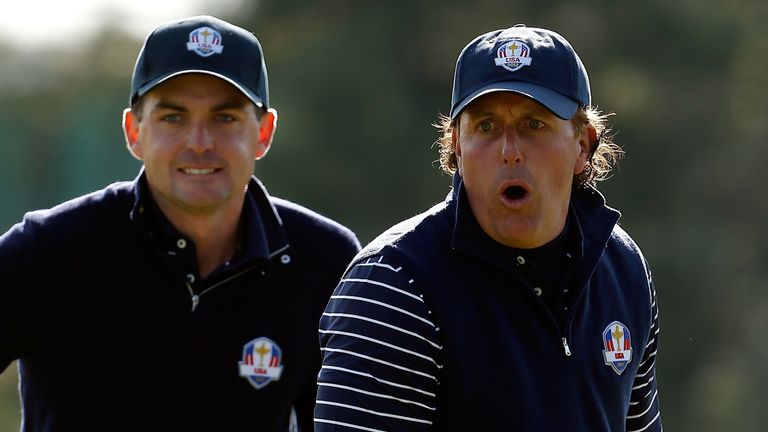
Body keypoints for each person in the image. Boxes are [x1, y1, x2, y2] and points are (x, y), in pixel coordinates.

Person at [0, 15, 360, 431]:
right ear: (134, 131)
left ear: (263, 132)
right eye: (174, 118)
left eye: (224, 118)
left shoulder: (324, 258)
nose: (199, 142)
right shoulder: (50, 249)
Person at [315, 25, 662, 431]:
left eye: (534, 125)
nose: (509, 152)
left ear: (583, 144)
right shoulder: (393, 287)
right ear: (457, 147)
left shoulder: (623, 269)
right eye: (485, 127)